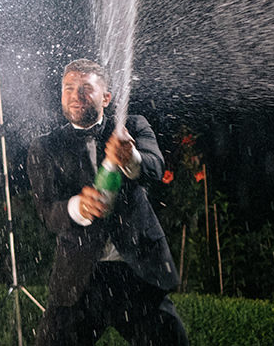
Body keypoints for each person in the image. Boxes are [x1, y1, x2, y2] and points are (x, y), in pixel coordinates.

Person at [26, 59, 188, 346]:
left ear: (106, 97)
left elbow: (155, 168)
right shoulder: (45, 148)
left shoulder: (132, 127)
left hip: (135, 272)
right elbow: (47, 211)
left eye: (86, 88)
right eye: (69, 88)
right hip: (80, 277)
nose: (77, 94)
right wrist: (77, 207)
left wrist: (131, 159)